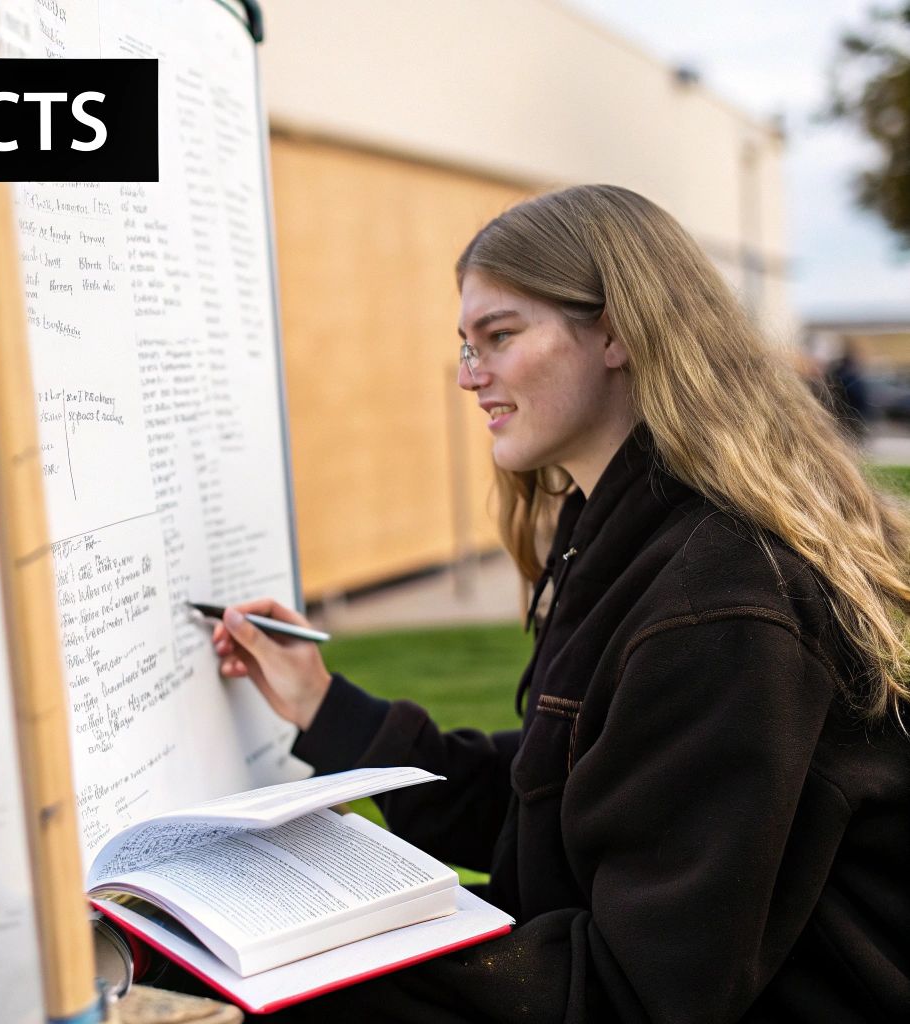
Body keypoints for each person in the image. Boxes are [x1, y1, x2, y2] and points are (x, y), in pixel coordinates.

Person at [209, 185, 909, 1020]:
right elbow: (556, 803)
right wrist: (326, 708)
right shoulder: (622, 536)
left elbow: (638, 993)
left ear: (617, 332)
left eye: (500, 336)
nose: (469, 376)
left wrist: (300, 966)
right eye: (466, 345)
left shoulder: (720, 602)